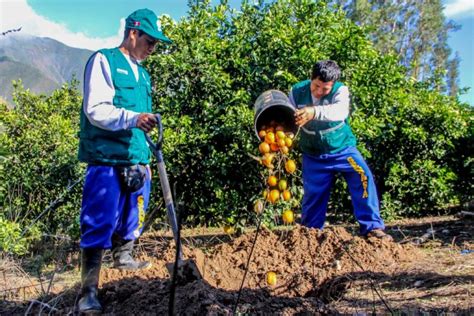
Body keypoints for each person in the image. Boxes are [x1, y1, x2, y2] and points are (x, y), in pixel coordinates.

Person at [77, 8, 172, 313]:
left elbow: (142, 117)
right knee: (99, 219)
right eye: (150, 41)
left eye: (156, 44)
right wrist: (133, 118)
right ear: (133, 33)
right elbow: (96, 109)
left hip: (136, 156)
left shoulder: (143, 74)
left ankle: (124, 257)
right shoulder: (104, 60)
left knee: (134, 214)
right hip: (106, 157)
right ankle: (88, 291)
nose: (152, 48)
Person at [289, 60, 392, 241]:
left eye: (325, 89)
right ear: (310, 78)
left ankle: (372, 227)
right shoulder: (297, 91)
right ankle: (311, 234)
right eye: (316, 86)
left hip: (342, 150)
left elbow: (340, 112)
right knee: (313, 193)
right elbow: (288, 117)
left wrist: (313, 112)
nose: (319, 91)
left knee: (362, 176)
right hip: (313, 154)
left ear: (333, 84)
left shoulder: (340, 90)